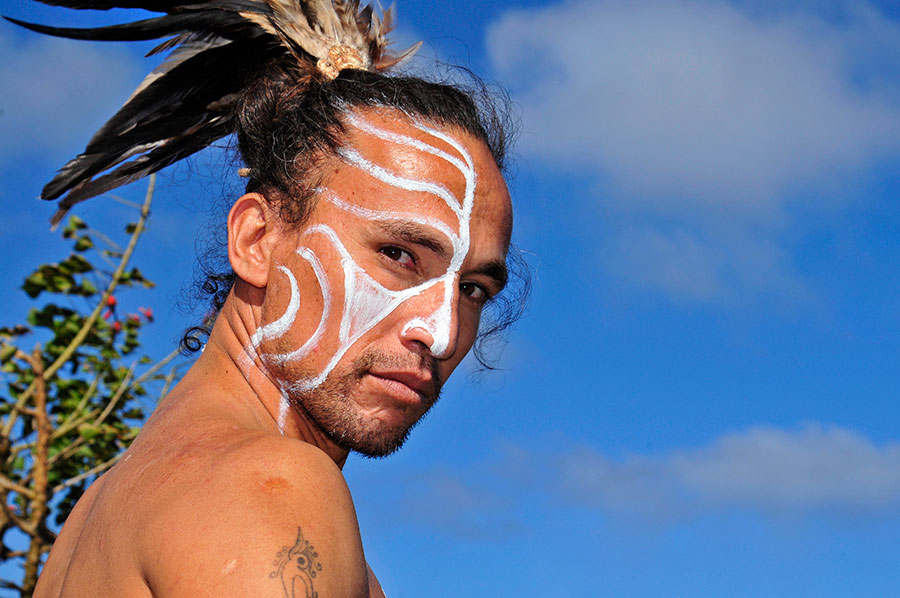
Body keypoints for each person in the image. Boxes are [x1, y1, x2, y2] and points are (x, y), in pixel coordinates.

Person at [15, 3, 521, 597]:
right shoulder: (270, 489)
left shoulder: (100, 506)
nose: (442, 332)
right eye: (399, 256)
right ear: (258, 241)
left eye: (471, 289)